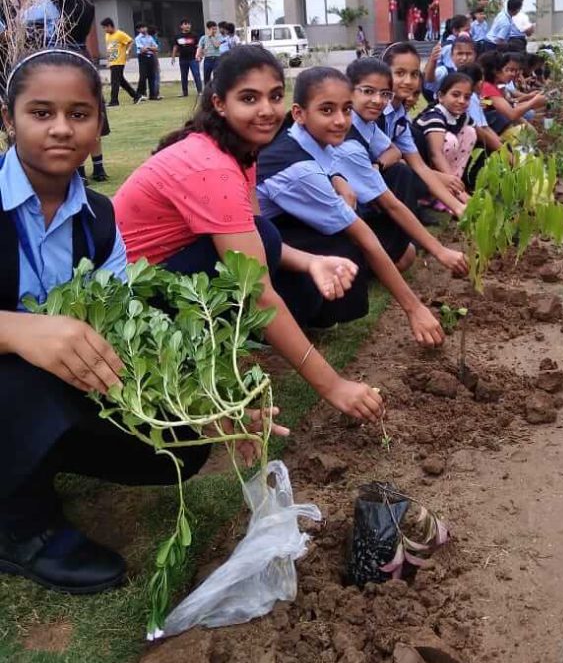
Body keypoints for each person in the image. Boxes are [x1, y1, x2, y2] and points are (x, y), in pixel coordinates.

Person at [0, 48, 285, 595]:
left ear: (99, 125)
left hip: (51, 380)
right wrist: (15, 330)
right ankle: (19, 524)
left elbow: (117, 326)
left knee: (179, 444)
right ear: (9, 119)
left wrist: (207, 407)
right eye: (40, 113)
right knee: (20, 372)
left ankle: (40, 450)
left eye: (79, 114)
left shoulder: (98, 218)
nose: (61, 128)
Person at [114, 46, 384, 422]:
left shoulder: (239, 150)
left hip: (166, 270)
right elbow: (256, 292)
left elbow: (256, 239)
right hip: (129, 300)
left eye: (274, 96)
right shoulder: (212, 166)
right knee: (259, 269)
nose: (267, 110)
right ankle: (188, 358)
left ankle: (223, 348)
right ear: (219, 104)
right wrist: (333, 386)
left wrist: (313, 262)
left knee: (269, 241)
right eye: (249, 98)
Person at [257, 68, 444, 348]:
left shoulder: (306, 138)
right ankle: (278, 320)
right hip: (252, 252)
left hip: (272, 234)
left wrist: (339, 179)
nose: (341, 120)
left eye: (346, 110)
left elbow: (331, 165)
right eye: (327, 110)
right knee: (348, 246)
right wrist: (414, 308)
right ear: (299, 113)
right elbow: (363, 235)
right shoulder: (301, 170)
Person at [340, 58, 469, 274]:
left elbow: (396, 152)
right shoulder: (350, 137)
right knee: (401, 174)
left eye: (384, 94)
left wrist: (377, 165)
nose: (377, 100)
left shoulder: (370, 122)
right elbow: (392, 204)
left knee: (406, 253)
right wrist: (439, 251)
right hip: (338, 218)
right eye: (368, 91)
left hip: (364, 197)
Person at [380, 42, 468, 217]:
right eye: (400, 73)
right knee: (400, 171)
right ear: (383, 74)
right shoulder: (375, 111)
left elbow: (419, 166)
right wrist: (442, 178)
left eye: (414, 74)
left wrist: (459, 206)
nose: (408, 81)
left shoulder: (399, 116)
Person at [43, 0, 109, 183]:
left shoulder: (49, 2)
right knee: (89, 110)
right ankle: (98, 167)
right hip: (83, 56)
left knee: (66, 113)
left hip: (61, 58)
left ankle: (78, 171)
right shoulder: (85, 2)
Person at [414, 72, 478, 186]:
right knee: (450, 140)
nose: (461, 101)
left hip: (446, 170)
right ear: (441, 97)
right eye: (455, 95)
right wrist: (452, 182)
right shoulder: (434, 116)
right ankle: (446, 186)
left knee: (470, 132)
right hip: (422, 166)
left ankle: (454, 181)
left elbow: (481, 131)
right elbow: (436, 154)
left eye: (467, 97)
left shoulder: (461, 117)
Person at [100, 18, 140, 107]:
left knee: (114, 81)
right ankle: (136, 96)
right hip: (112, 61)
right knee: (121, 81)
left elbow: (130, 41)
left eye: (105, 28)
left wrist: (127, 52)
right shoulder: (107, 35)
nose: (104, 30)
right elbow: (109, 49)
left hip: (119, 61)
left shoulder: (120, 34)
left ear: (110, 26)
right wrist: (108, 60)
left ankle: (114, 101)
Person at [171, 18, 202, 97]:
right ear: (181, 26)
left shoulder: (194, 35)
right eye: (185, 24)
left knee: (196, 74)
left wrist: (199, 55)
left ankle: (200, 91)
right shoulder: (178, 36)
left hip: (193, 58)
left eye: (189, 24)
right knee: (184, 75)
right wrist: (173, 57)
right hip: (183, 59)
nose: (187, 26)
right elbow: (175, 47)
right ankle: (184, 92)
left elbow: (198, 46)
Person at [134, 23, 160, 102]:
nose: (144, 29)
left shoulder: (150, 37)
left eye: (144, 27)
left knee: (152, 76)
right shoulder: (138, 38)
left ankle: (153, 95)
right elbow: (142, 49)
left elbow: (156, 48)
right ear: (138, 30)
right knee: (143, 76)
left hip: (151, 57)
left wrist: (148, 48)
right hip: (143, 57)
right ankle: (139, 95)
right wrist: (150, 48)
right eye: (141, 28)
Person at [197, 20, 223, 84]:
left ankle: (216, 89)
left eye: (215, 29)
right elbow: (200, 47)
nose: (215, 31)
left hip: (217, 58)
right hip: (207, 59)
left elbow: (216, 45)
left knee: (217, 76)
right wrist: (198, 56)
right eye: (213, 29)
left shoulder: (219, 37)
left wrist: (211, 37)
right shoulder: (203, 38)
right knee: (206, 77)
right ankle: (207, 89)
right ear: (208, 29)